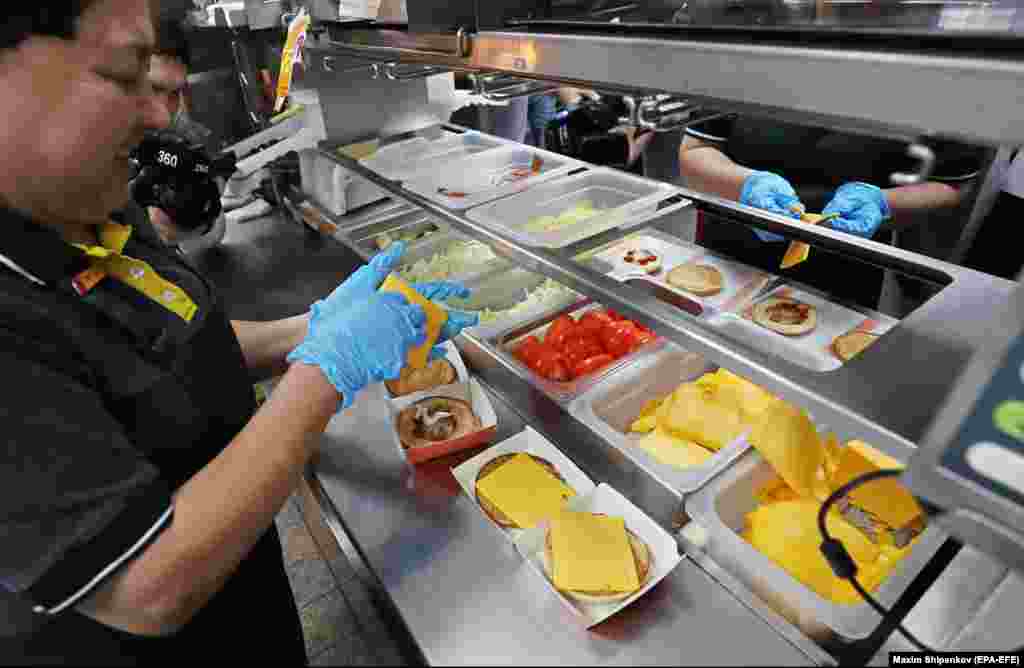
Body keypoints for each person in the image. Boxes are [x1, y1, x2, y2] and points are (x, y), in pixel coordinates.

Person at [0, 1, 477, 664]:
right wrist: (325, 371)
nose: (160, 115)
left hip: (237, 595)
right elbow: (144, 588)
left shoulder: (84, 199)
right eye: (123, 71)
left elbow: (169, 346)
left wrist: (308, 327)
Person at [678, 114, 984, 308]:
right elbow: (695, 150)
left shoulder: (937, 58)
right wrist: (747, 185)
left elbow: (951, 184)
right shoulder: (741, 23)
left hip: (848, 263)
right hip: (727, 248)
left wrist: (881, 202)